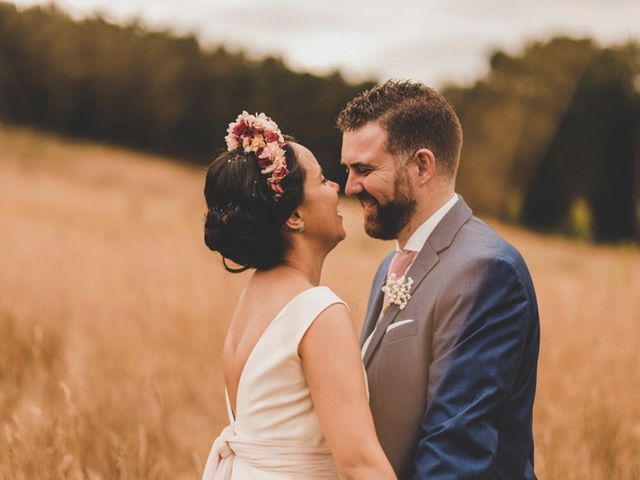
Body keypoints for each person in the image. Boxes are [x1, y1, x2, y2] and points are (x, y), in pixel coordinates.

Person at [337, 81, 540, 479]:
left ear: (422, 165)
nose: (350, 187)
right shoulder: (390, 265)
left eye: (364, 169)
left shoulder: (487, 270)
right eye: (347, 170)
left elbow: (456, 452)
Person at [201, 111, 396, 480]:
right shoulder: (317, 311)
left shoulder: (254, 297)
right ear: (294, 216)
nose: (336, 188)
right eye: (322, 180)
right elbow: (360, 465)